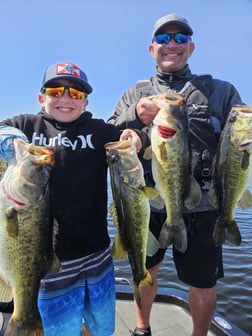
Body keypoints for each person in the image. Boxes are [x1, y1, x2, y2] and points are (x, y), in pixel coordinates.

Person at [107, 13, 244, 336]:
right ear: (151, 48)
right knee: (145, 269)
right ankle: (142, 328)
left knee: (203, 282)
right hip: (149, 200)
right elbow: (109, 136)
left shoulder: (221, 92)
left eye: (180, 39)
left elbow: (241, 139)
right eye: (164, 39)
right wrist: (134, 116)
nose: (172, 45)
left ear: (191, 47)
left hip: (204, 205)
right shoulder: (135, 93)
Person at [0, 61, 149, 336]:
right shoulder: (26, 124)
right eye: (56, 91)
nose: (66, 98)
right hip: (47, 261)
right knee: (59, 328)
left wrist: (137, 138)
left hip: (98, 254)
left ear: (86, 101)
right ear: (41, 98)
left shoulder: (99, 130)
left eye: (76, 94)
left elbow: (131, 141)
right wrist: (10, 143)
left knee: (100, 326)